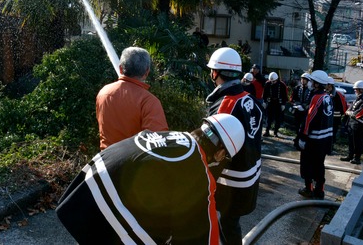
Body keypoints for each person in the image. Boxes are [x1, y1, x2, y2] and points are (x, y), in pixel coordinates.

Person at [56, 114, 246, 245]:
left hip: (85, 189)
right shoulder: (199, 172)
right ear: (221, 154)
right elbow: (202, 237)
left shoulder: (172, 136)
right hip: (109, 211)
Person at [206, 47, 264, 245]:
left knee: (226, 227)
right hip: (249, 175)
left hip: (230, 181)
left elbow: (208, 147)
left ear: (215, 73)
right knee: (231, 224)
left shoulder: (226, 105)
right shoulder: (253, 101)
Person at [96, 46, 168, 150]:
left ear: (120, 68)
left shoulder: (103, 93)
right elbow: (158, 140)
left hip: (107, 160)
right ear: (146, 73)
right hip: (135, 163)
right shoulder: (149, 101)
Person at [296, 70, 334, 199]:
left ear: (317, 84)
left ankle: (308, 189)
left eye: (312, 81)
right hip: (325, 138)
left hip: (314, 139)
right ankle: (320, 191)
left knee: (307, 165)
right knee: (319, 165)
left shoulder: (316, 97)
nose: (310, 83)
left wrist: (303, 137)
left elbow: (310, 119)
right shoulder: (327, 96)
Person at [340, 80, 363, 165]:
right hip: (353, 123)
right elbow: (352, 107)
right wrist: (348, 112)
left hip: (361, 125)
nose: (355, 91)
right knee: (351, 140)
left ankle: (357, 158)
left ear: (361, 90)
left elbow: (361, 112)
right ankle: (350, 155)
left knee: (358, 141)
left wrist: (351, 113)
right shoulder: (359, 97)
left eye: (356, 89)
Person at [263, 72, 288, 137]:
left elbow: (285, 95)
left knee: (278, 118)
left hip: (278, 103)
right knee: (268, 118)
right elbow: (264, 94)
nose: (272, 82)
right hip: (270, 102)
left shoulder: (282, 85)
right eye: (271, 81)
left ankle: (275, 132)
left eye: (274, 81)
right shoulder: (267, 84)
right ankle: (267, 130)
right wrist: (264, 101)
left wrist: (283, 104)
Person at [290, 72, 312, 146]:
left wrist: (305, 107)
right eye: (302, 79)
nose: (303, 81)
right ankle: (297, 137)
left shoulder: (311, 90)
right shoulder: (297, 88)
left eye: (305, 79)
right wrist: (295, 105)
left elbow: (311, 102)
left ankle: (299, 139)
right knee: (297, 125)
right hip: (297, 110)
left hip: (306, 111)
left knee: (303, 126)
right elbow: (292, 98)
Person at [325, 76, 347, 147]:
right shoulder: (323, 94)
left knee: (332, 134)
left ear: (330, 85)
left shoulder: (338, 95)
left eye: (327, 84)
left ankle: (330, 147)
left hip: (334, 120)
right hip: (325, 119)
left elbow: (344, 108)